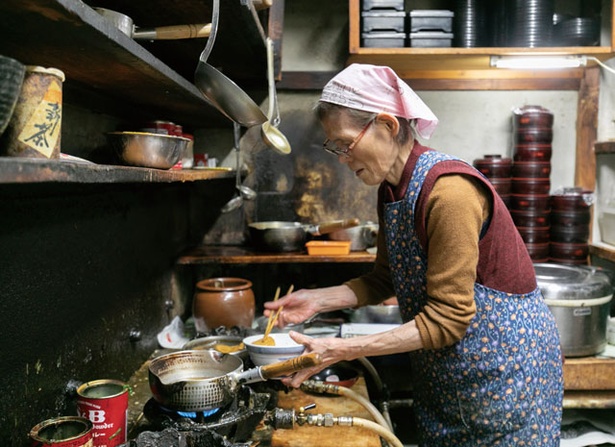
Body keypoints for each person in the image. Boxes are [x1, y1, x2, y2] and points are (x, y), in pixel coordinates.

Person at [263, 63, 564, 446]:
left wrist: (341, 350)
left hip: (504, 378)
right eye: (333, 146)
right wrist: (316, 300)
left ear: (387, 126)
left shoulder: (449, 193)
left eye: (345, 143)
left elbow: (449, 319)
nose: (340, 157)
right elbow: (384, 278)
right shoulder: (390, 190)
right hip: (451, 376)